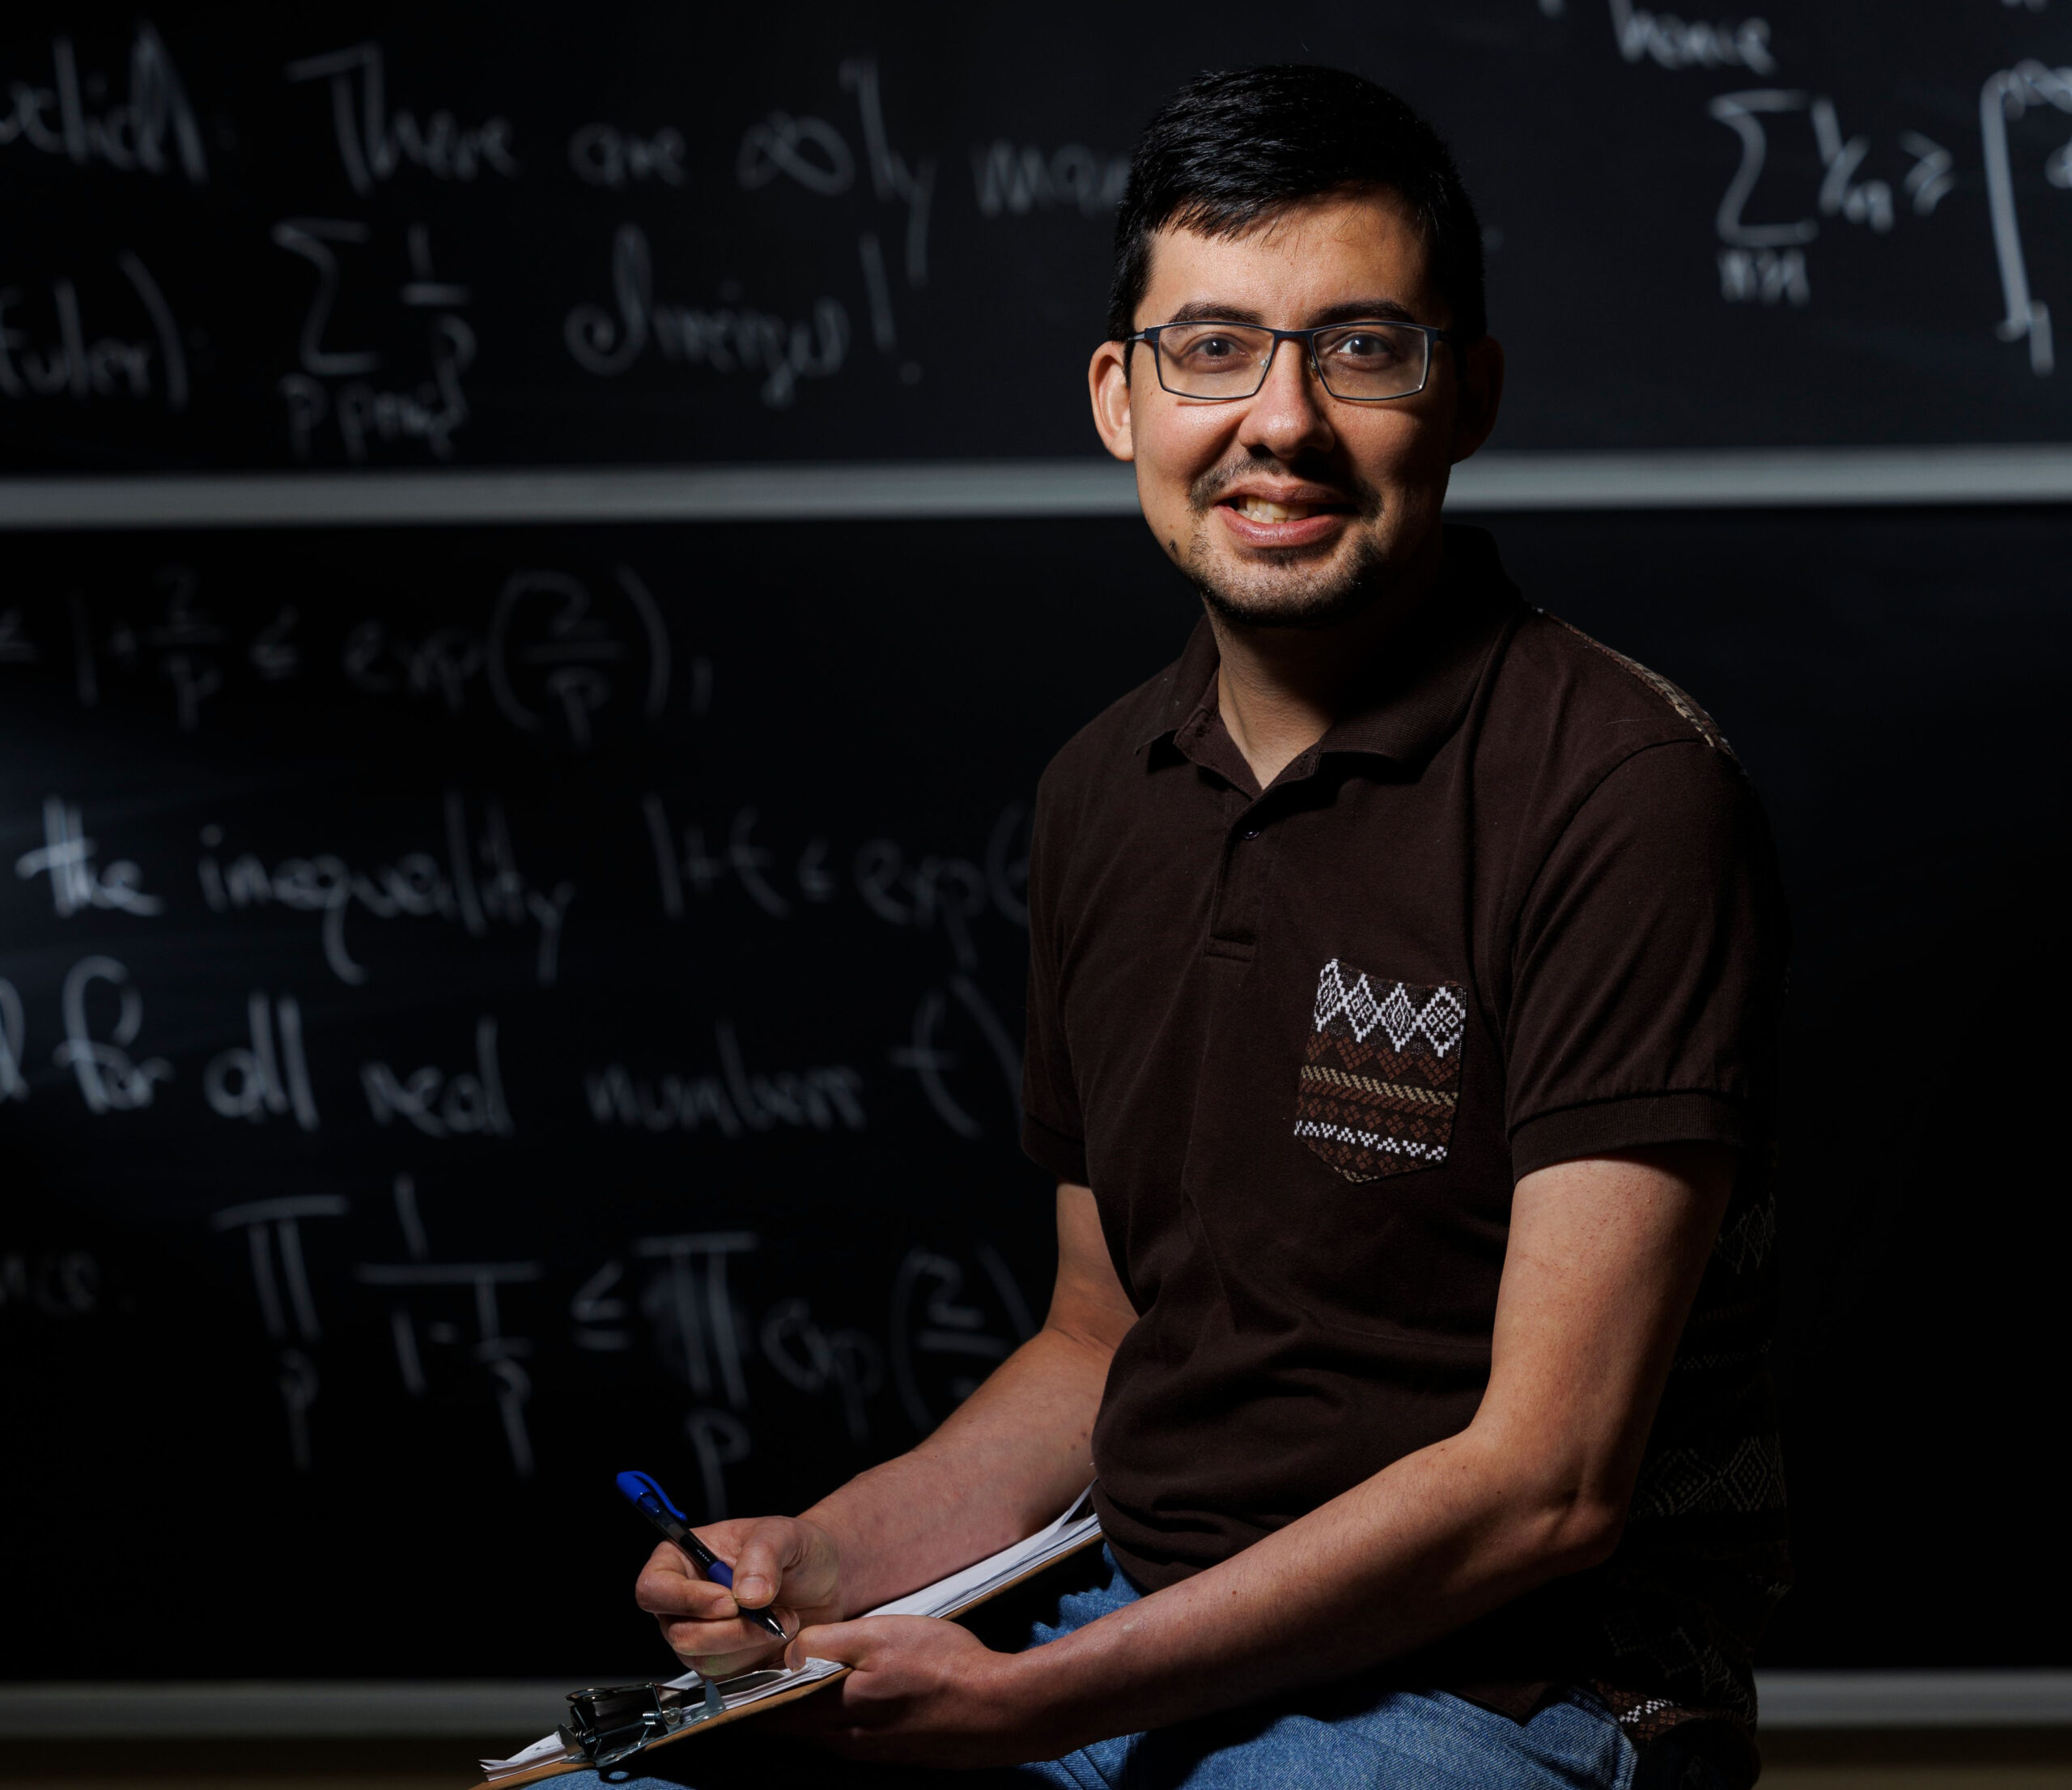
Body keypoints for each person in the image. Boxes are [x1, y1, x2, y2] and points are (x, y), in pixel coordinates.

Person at [604, 65, 1789, 1790]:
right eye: (1212, 348)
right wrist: (825, 1559)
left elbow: (1552, 1479)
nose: (1280, 421)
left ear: (1466, 395)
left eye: (1361, 348)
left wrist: (1028, 1705)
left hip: (1502, 1693)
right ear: (1118, 395)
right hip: (1121, 1627)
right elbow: (1098, 1339)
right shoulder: (1104, 788)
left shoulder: (1619, 788)